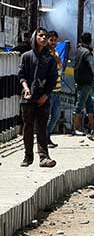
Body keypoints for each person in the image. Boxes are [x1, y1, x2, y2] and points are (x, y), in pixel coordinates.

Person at [18, 28, 58, 168]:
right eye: (40, 36)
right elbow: (21, 75)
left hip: (43, 99)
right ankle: (28, 156)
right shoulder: (26, 56)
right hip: (28, 98)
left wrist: (46, 95)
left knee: (41, 127)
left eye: (45, 36)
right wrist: (26, 88)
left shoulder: (50, 59)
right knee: (28, 128)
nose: (43, 38)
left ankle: (44, 157)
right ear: (35, 37)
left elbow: (53, 79)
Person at [73, 32, 94, 136]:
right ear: (90, 40)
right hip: (86, 82)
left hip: (80, 81)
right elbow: (93, 66)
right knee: (80, 105)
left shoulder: (78, 50)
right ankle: (76, 128)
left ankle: (93, 128)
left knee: (89, 106)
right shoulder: (87, 52)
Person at [46, 31, 63, 148]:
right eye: (51, 40)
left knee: (56, 115)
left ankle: (46, 136)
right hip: (50, 90)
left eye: (55, 40)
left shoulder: (55, 52)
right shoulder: (46, 53)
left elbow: (60, 67)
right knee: (47, 116)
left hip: (57, 89)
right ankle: (45, 138)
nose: (53, 42)